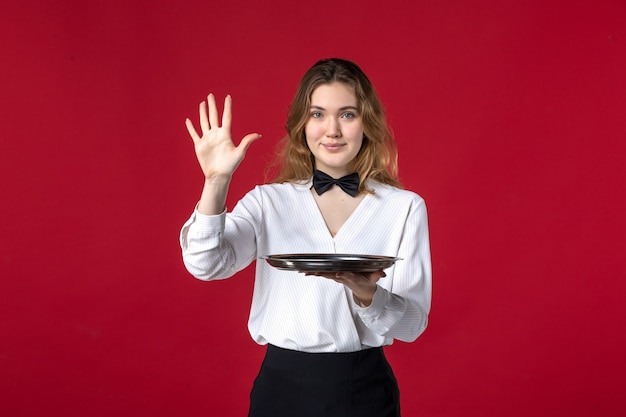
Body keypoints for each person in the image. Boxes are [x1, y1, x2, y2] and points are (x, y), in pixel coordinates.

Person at [180, 58, 432, 417]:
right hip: (281, 390)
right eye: (318, 114)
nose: (332, 130)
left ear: (368, 123)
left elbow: (412, 325)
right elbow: (205, 264)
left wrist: (368, 295)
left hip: (365, 390)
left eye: (347, 114)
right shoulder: (268, 202)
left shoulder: (404, 208)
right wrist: (216, 181)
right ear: (302, 123)